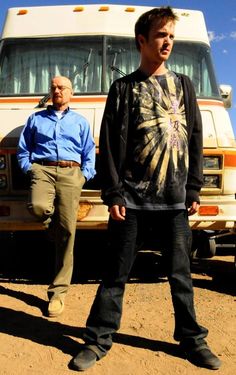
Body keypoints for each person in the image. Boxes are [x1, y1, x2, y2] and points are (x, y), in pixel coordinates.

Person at [71, 6, 221, 372]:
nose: (168, 42)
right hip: (133, 201)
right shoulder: (123, 88)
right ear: (143, 41)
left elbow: (196, 139)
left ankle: (192, 340)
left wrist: (195, 187)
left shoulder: (184, 85)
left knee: (181, 276)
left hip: (174, 202)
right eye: (161, 35)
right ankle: (98, 340)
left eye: (171, 36)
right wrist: (114, 193)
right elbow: (108, 144)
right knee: (115, 275)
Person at [17, 76, 96, 317]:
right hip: (42, 169)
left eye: (61, 87)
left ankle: (58, 293)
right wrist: (29, 168)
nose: (57, 90)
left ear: (71, 93)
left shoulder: (80, 122)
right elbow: (23, 148)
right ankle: (54, 227)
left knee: (69, 231)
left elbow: (89, 150)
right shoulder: (35, 118)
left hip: (71, 172)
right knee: (38, 207)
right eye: (53, 87)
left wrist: (84, 175)